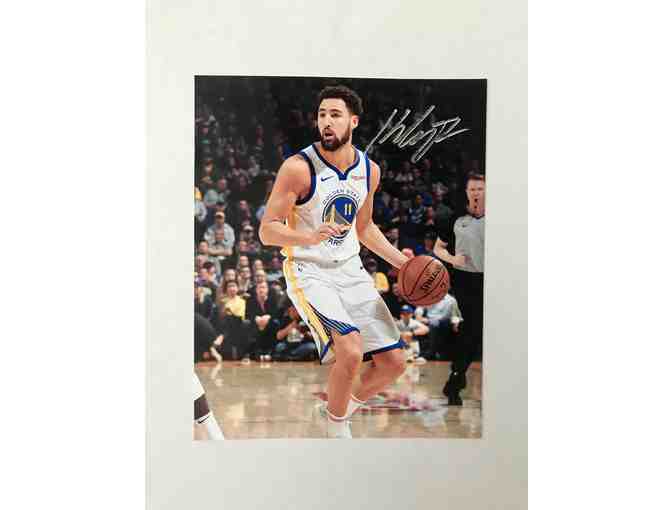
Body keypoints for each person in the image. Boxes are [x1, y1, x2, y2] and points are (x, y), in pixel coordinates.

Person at [259, 85, 408, 438]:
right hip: (309, 271)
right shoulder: (298, 168)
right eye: (322, 114)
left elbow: (365, 228)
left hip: (350, 269)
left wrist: (403, 263)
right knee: (351, 351)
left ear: (353, 122)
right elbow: (267, 231)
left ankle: (338, 411)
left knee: (393, 363)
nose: (326, 121)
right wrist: (308, 237)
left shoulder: (369, 170)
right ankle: (337, 434)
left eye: (335, 115)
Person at [433, 172, 485, 405]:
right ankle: (457, 377)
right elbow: (438, 249)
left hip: (495, 280)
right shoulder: (455, 218)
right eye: (472, 189)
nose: (476, 193)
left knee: (477, 331)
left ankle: (459, 376)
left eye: (480, 189)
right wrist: (453, 259)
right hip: (467, 280)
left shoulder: (501, 216)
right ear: (466, 192)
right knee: (473, 328)